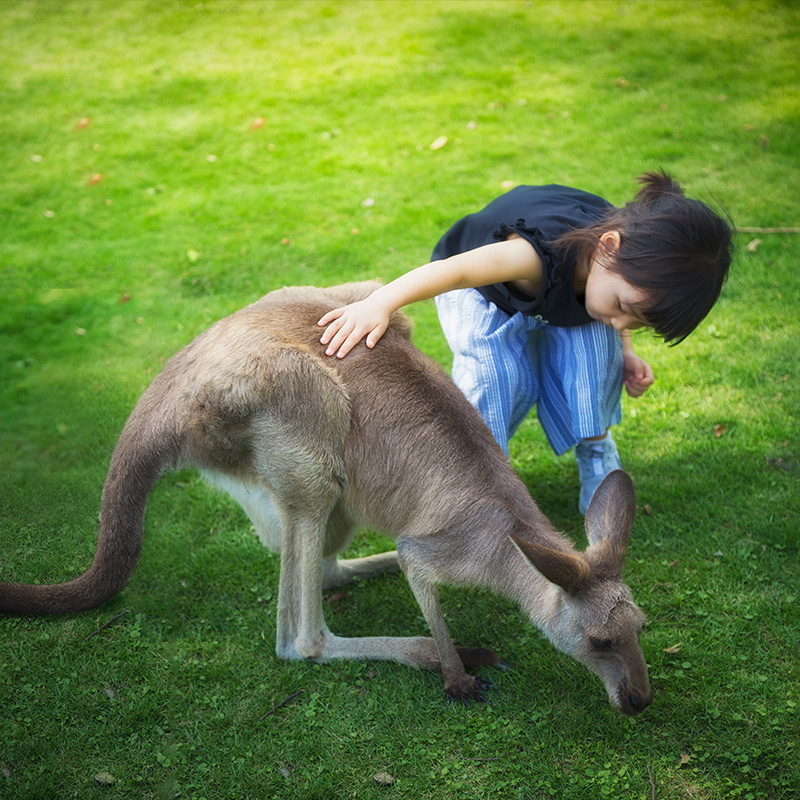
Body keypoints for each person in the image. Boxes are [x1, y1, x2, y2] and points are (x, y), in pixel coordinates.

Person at [318, 171, 733, 514]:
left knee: (596, 353)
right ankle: (477, 480)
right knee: (497, 375)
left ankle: (596, 453)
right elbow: (456, 272)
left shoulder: (620, 272)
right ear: (608, 247)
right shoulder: (530, 256)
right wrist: (380, 302)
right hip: (481, 291)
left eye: (637, 321)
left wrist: (624, 348)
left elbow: (621, 311)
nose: (621, 320)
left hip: (564, 291)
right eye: (623, 306)